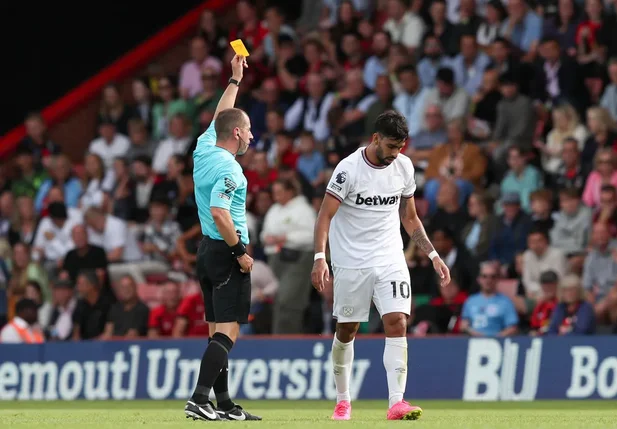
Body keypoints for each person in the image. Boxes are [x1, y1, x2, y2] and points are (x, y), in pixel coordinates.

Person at [311, 110, 451, 421]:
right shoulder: (348, 170)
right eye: (390, 147)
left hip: (390, 257)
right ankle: (343, 400)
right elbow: (325, 216)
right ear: (376, 138)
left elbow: (410, 217)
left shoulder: (403, 167)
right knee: (348, 329)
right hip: (351, 261)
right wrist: (321, 258)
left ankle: (396, 402)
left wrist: (433, 255)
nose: (394, 154)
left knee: (398, 321)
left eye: (400, 147)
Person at [183, 54, 261, 422]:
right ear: (236, 134)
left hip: (205, 252)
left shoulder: (203, 150)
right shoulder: (232, 170)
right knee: (228, 333)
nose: (251, 136)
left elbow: (220, 117)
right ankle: (199, 399)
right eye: (247, 131)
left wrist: (234, 79)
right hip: (226, 253)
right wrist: (241, 252)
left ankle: (224, 404)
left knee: (216, 331)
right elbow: (220, 212)